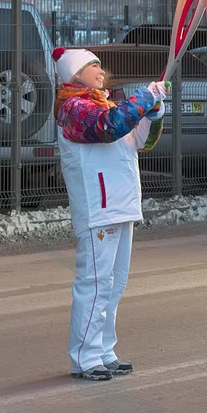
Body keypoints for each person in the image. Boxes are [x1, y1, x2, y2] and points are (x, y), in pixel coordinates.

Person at [52, 46, 169, 381]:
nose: (101, 71)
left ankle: (103, 350)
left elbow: (140, 141)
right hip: (98, 208)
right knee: (95, 284)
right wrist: (143, 98)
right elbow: (109, 127)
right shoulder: (74, 109)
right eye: (94, 66)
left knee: (114, 285)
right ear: (75, 75)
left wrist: (153, 112)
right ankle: (84, 358)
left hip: (120, 206)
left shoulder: (106, 104)